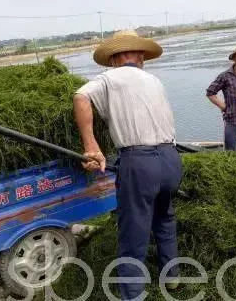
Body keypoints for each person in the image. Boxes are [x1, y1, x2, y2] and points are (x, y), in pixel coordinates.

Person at [73, 30, 182, 299]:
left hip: (140, 162)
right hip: (171, 160)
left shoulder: (110, 77)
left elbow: (80, 97)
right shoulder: (154, 80)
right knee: (164, 217)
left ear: (114, 58)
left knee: (134, 230)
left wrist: (91, 146)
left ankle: (132, 294)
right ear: (140, 56)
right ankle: (172, 277)